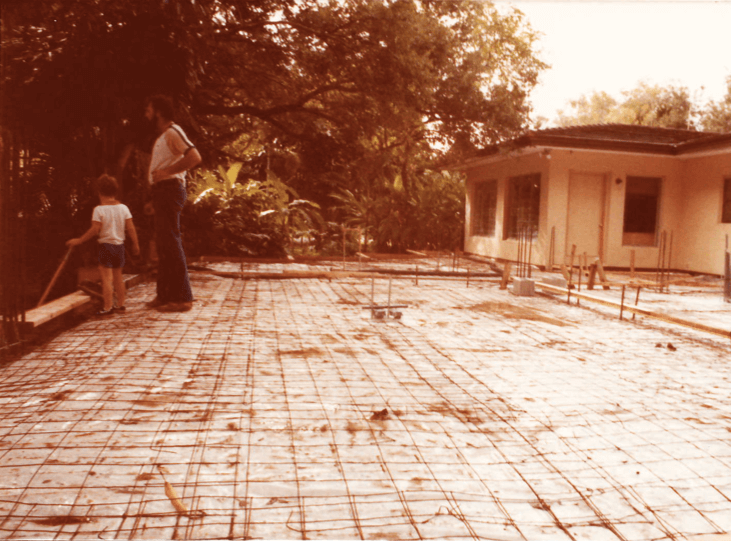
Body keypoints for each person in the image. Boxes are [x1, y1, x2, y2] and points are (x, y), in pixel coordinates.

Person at [144, 95, 202, 312]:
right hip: (162, 192)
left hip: (170, 189)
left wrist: (167, 173)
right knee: (163, 244)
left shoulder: (173, 132)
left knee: (170, 242)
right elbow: (161, 169)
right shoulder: (163, 137)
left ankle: (182, 298)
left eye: (149, 110)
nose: (146, 114)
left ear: (158, 112)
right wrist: (154, 198)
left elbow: (194, 157)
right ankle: (165, 295)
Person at [67, 174, 140, 315]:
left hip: (106, 246)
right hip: (119, 246)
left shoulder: (99, 210)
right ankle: (121, 304)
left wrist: (79, 240)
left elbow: (95, 230)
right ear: (115, 191)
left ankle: (107, 307)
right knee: (118, 277)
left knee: (107, 278)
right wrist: (136, 244)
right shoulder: (123, 208)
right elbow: (131, 228)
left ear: (99, 192)